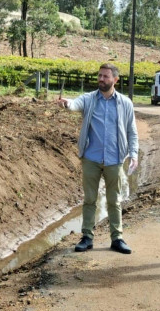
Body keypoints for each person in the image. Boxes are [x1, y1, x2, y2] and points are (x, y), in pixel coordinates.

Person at [57, 63, 139, 254]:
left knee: (114, 200)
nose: (101, 79)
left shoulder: (125, 103)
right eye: (100, 76)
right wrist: (67, 104)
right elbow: (75, 104)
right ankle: (87, 236)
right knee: (90, 199)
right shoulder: (89, 99)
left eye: (106, 76)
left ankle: (117, 238)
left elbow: (132, 132)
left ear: (115, 80)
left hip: (115, 159)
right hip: (91, 158)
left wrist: (133, 154)